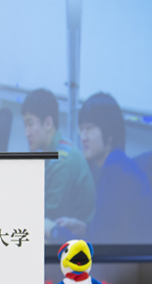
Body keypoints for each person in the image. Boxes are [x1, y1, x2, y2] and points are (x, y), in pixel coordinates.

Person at [55, 92, 152, 244]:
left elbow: (98, 249)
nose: (83, 136)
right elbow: (109, 232)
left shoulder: (116, 170)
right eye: (82, 129)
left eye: (90, 128)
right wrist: (83, 228)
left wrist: (53, 232)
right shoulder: (117, 163)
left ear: (110, 133)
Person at [20, 88, 95, 240]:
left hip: (76, 244)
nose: (26, 133)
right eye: (25, 125)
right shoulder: (58, 147)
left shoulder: (62, 162)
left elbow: (47, 217)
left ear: (48, 123)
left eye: (30, 124)